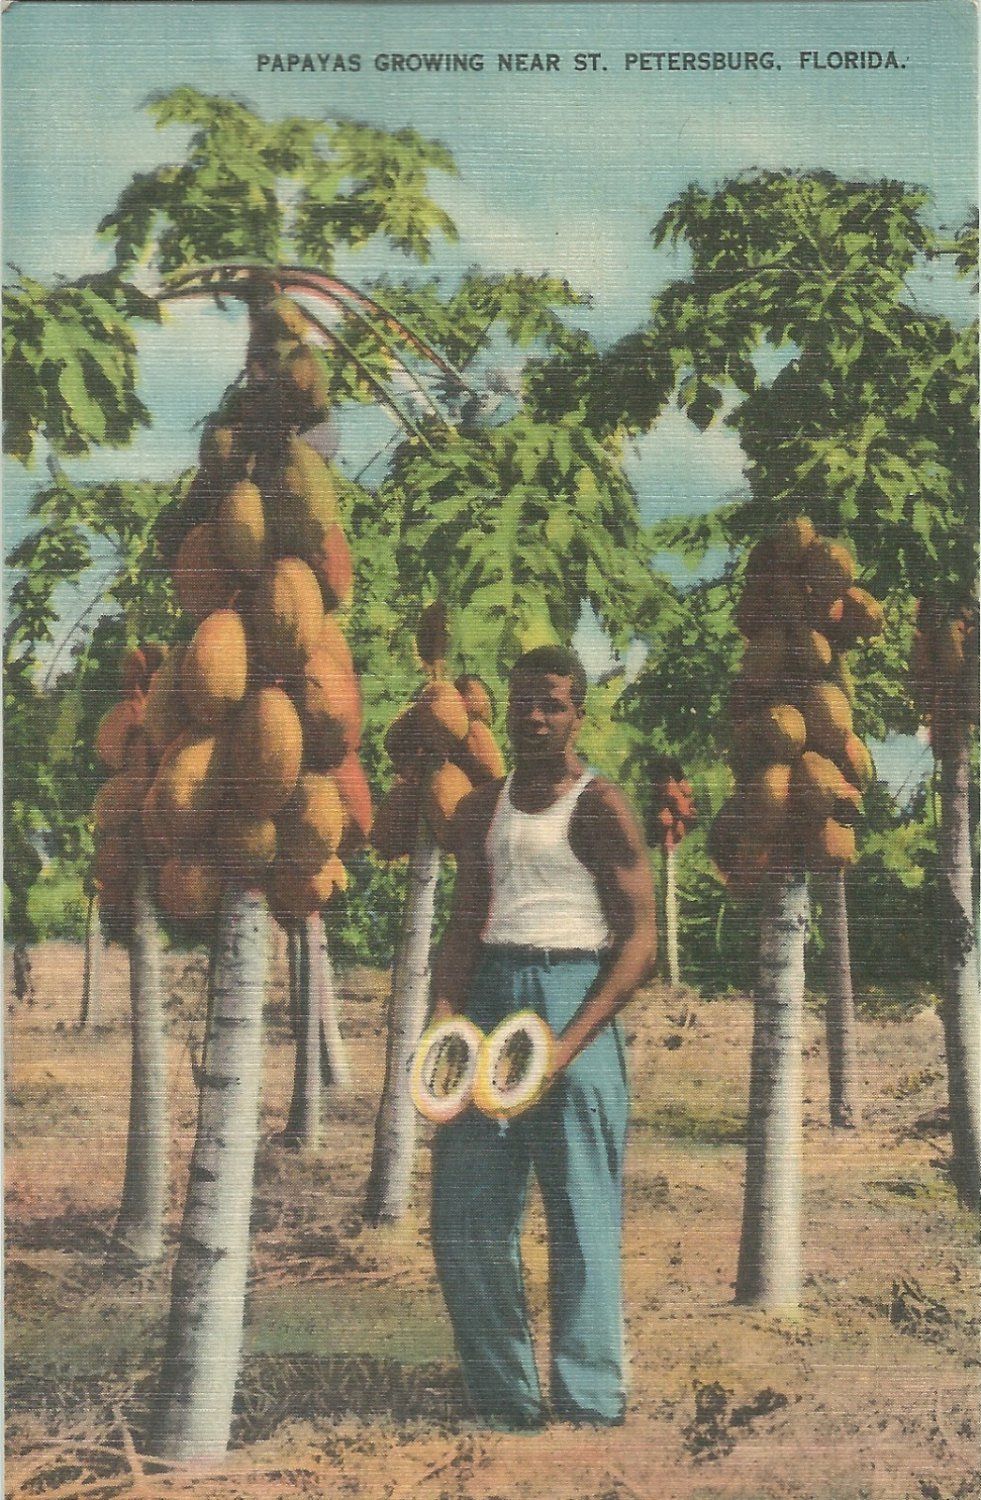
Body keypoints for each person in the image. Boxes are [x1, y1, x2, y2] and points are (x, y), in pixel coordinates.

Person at [428, 644, 657, 1431]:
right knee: (465, 1216)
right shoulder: (479, 807)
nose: (534, 716)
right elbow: (463, 922)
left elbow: (639, 943)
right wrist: (444, 1016)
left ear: (576, 715)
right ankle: (504, 1399)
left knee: (581, 1213)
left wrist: (569, 1044)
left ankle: (590, 1404)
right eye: (523, 701)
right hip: (489, 997)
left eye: (552, 703)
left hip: (571, 996)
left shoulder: (601, 806)